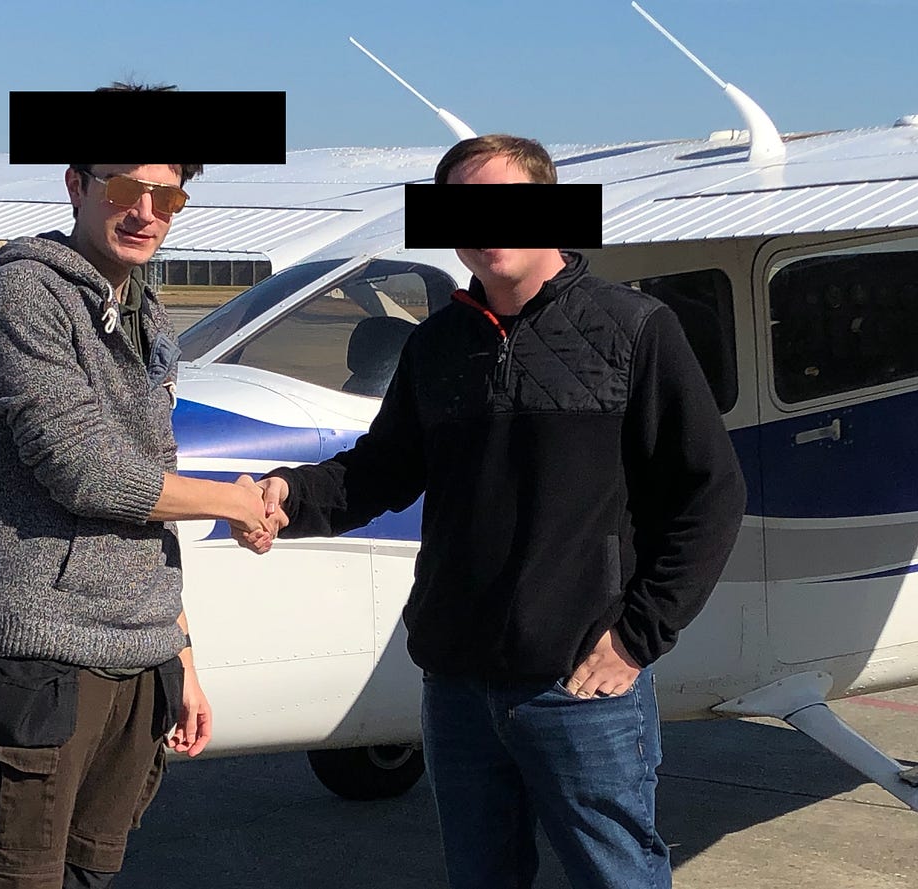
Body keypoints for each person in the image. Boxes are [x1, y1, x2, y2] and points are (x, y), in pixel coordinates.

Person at [239, 134, 747, 888]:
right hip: (456, 683)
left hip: (580, 683)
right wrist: (289, 496)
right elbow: (379, 471)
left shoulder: (635, 328)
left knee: (616, 876)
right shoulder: (437, 345)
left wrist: (637, 637)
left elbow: (710, 492)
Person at [0, 82, 271, 889]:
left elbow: (148, 494)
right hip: (47, 656)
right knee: (19, 877)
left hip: (142, 654)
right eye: (125, 187)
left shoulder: (146, 313)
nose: (147, 212)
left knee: (94, 872)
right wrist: (235, 499)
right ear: (76, 184)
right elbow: (86, 470)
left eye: (168, 195)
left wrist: (182, 651)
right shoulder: (21, 292)